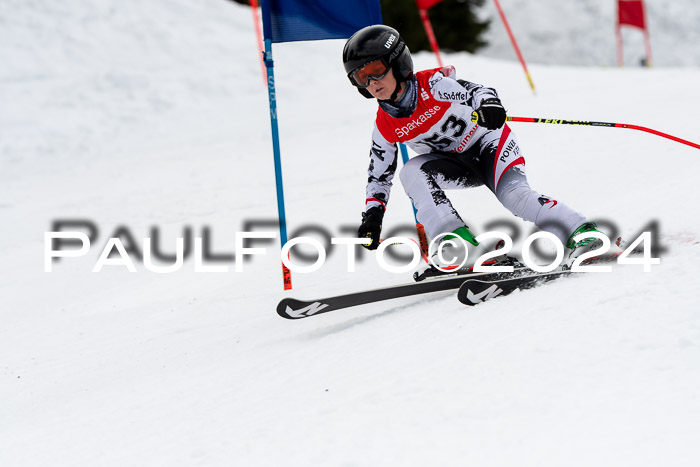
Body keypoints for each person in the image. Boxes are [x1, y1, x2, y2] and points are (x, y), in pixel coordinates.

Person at [342, 25, 615, 273]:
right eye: (361, 77)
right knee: (411, 171)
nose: (372, 83)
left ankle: (583, 234)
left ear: (397, 62)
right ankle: (458, 244)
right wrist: (373, 216)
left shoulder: (433, 86)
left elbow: (475, 91)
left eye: (376, 70)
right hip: (455, 166)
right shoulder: (385, 125)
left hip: (489, 146)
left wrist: (489, 105)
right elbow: (379, 175)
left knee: (515, 196)